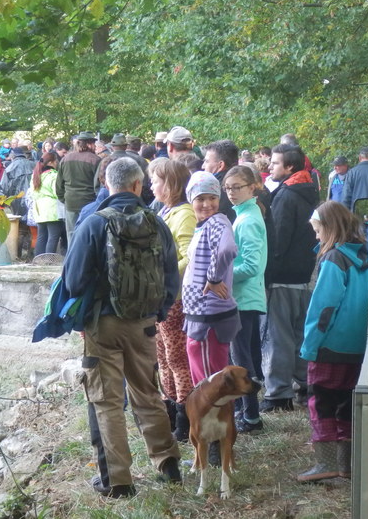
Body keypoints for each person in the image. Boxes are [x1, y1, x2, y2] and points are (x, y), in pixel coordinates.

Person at [63, 157, 182, 498]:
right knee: (148, 394)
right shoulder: (157, 223)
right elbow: (171, 277)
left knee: (107, 401)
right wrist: (157, 313)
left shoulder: (93, 223)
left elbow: (73, 281)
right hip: (144, 324)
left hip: (103, 324)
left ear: (107, 183)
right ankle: (168, 465)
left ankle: (118, 482)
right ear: (138, 185)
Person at [297, 201, 368, 482]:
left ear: (330, 228)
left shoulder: (334, 259)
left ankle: (325, 464)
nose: (317, 237)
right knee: (345, 405)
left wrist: (310, 345)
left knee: (321, 403)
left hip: (329, 345)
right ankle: (346, 465)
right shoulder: (363, 256)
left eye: (318, 231)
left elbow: (324, 307)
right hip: (355, 346)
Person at [182, 170, 241, 466]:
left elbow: (228, 249)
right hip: (200, 314)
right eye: (200, 198)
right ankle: (212, 447)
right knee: (207, 382)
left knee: (211, 385)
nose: (206, 204)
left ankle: (217, 448)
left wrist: (214, 278)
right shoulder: (204, 225)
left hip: (209, 317)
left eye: (211, 198)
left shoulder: (217, 222)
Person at [260, 143, 318, 412]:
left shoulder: (286, 196)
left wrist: (267, 276)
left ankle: (278, 394)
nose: (269, 166)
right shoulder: (308, 190)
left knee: (279, 337)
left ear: (290, 166)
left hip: (283, 277)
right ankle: (305, 385)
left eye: (274, 163)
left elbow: (278, 241)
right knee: (299, 335)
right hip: (303, 275)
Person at [150, 159, 196, 443]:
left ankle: (185, 415)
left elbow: (189, 256)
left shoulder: (185, 214)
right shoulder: (164, 211)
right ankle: (169, 408)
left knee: (177, 359)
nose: (151, 186)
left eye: (155, 181)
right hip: (161, 298)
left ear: (170, 184)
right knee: (163, 358)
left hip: (175, 298)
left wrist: (162, 276)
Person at [223, 165, 267, 433]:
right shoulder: (245, 214)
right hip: (245, 296)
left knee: (241, 359)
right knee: (247, 355)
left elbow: (250, 266)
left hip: (244, 297)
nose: (231, 193)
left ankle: (250, 416)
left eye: (237, 187)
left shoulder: (248, 219)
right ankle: (247, 411)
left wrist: (221, 276)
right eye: (228, 188)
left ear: (252, 187)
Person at [55, 131, 100, 245]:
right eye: (94, 143)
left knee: (71, 234)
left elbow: (59, 184)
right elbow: (98, 185)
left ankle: (72, 256)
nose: (95, 146)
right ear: (89, 144)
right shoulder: (95, 160)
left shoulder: (65, 159)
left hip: (70, 202)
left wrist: (64, 199)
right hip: (90, 202)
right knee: (88, 234)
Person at [28, 152, 64, 256]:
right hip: (52, 210)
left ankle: (38, 259)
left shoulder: (35, 175)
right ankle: (49, 260)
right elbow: (57, 193)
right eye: (56, 161)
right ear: (51, 162)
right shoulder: (53, 175)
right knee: (53, 237)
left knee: (41, 236)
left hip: (39, 210)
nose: (57, 163)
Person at [201, 139, 239, 222]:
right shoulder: (245, 184)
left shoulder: (213, 190)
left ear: (220, 165)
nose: (203, 166)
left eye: (206, 161)